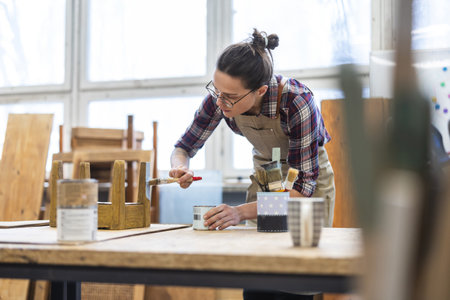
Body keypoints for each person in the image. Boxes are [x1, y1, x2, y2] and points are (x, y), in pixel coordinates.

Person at [169, 28, 335, 300]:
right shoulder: (221, 97)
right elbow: (184, 146)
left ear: (259, 90)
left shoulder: (296, 100)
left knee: (298, 272)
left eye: (230, 97)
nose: (220, 101)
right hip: (268, 171)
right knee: (259, 269)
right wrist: (180, 166)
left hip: (304, 178)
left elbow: (300, 190)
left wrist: (239, 212)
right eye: (217, 90)